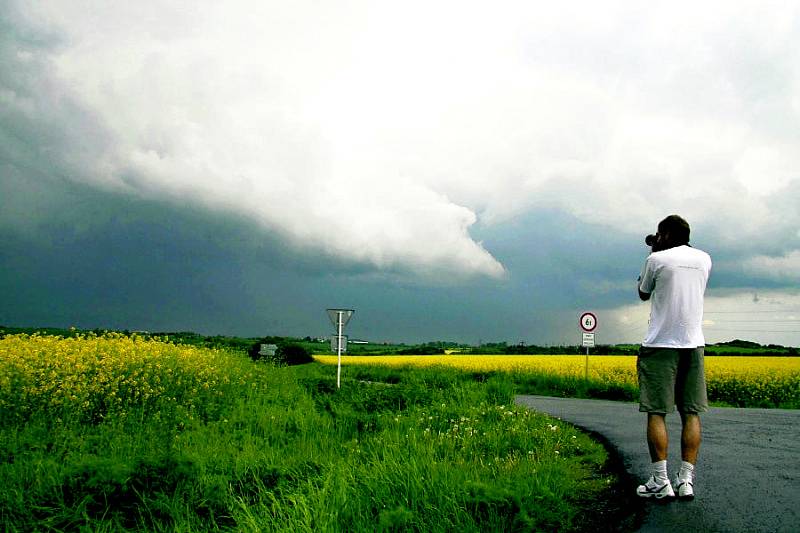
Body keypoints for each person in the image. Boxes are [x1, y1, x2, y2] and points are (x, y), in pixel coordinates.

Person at [635, 215, 712, 501]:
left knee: (657, 412)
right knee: (690, 413)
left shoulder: (657, 260)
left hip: (660, 345)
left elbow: (644, 293)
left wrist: (653, 253)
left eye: (659, 234)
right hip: (693, 345)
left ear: (665, 234)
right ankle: (686, 480)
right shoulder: (705, 259)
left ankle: (660, 480)